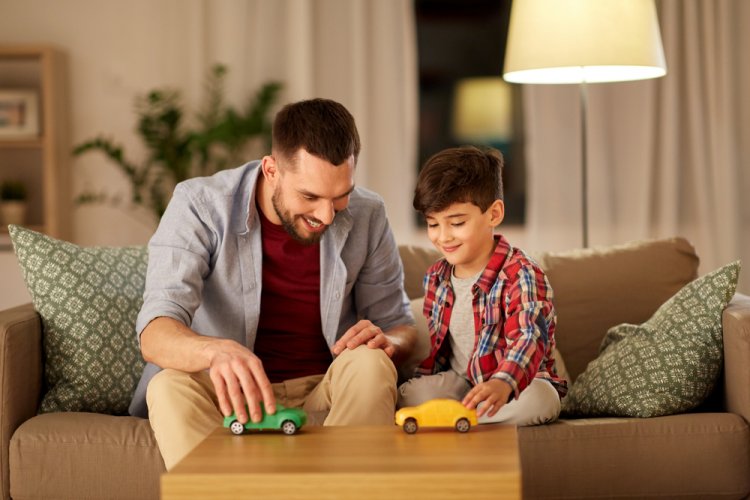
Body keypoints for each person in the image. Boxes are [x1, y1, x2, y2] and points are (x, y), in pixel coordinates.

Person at [129, 98, 417, 469]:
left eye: (341, 196)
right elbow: (155, 330)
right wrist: (214, 352)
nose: (327, 215)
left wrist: (387, 341)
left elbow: (400, 326)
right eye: (309, 196)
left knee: (371, 364)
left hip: (322, 386)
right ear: (271, 170)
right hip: (227, 392)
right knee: (168, 386)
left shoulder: (368, 213)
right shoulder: (200, 204)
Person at [398, 146, 566, 426]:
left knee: (541, 400)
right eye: (433, 224)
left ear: (494, 214)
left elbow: (529, 337)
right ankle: (467, 418)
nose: (443, 237)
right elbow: (441, 353)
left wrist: (502, 382)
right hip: (463, 383)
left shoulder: (521, 274)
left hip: (515, 384)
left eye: (457, 223)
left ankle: (458, 420)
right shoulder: (436, 278)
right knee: (412, 395)